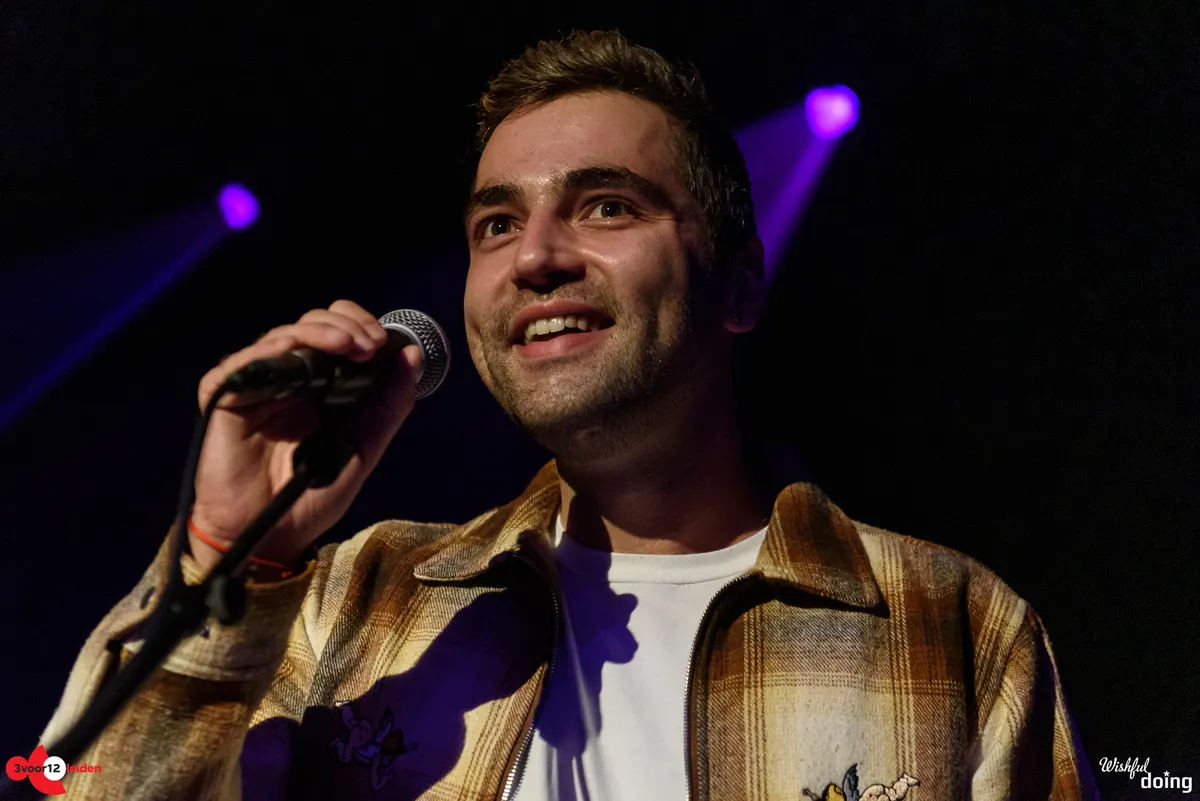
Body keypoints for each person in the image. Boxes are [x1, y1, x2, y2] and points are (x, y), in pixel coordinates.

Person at [40, 29, 1098, 800]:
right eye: (496, 224)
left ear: (739, 284)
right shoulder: (354, 599)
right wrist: (228, 550)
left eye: (606, 206)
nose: (536, 256)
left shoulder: (951, 625)